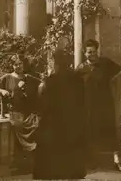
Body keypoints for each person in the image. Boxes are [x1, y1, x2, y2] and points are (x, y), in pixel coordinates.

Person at [33, 49, 87, 180]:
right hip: (72, 122)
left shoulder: (49, 81)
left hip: (53, 123)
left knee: (52, 153)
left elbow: (42, 103)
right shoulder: (77, 79)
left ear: (54, 63)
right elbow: (83, 101)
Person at [76, 39, 121, 172]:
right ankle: (92, 161)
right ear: (84, 53)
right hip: (89, 105)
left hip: (105, 103)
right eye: (88, 52)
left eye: (93, 51)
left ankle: (116, 161)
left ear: (97, 51)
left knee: (109, 130)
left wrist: (110, 80)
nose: (91, 54)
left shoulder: (105, 63)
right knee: (91, 131)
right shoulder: (81, 68)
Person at [0, 54, 40, 173]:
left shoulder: (28, 77)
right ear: (12, 65)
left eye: (20, 63)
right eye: (15, 64)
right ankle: (22, 166)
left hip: (29, 113)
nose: (18, 66)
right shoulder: (7, 78)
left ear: (23, 64)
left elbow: (42, 84)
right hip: (16, 112)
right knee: (18, 127)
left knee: (37, 127)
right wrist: (2, 90)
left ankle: (31, 165)